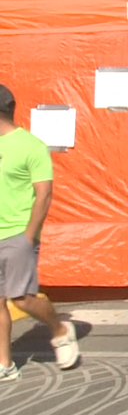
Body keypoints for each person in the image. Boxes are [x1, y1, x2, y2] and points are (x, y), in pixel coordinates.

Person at [0, 84, 80, 382]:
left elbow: (44, 193)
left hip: (17, 233)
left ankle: (59, 328)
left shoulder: (31, 145)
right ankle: (5, 364)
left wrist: (28, 235)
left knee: (21, 298)